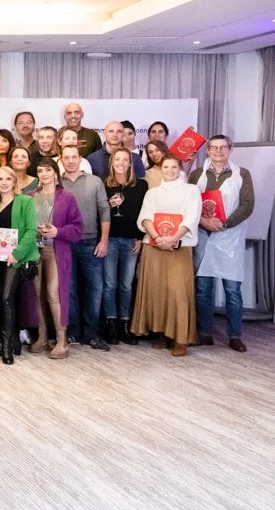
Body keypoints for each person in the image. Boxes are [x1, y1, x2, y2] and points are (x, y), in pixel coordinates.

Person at [132, 155, 201, 356]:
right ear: (160, 169)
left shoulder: (191, 190)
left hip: (180, 247)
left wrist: (172, 239)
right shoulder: (153, 193)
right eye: (166, 167)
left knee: (179, 293)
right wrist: (157, 238)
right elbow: (145, 217)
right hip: (154, 248)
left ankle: (180, 338)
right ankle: (162, 333)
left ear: (180, 168)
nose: (169, 170)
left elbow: (192, 216)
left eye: (173, 167)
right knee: (158, 291)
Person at [190, 135, 254, 352]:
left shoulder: (241, 174)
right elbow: (188, 203)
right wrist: (204, 221)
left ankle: (235, 335)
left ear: (230, 149)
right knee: (203, 288)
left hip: (230, 237)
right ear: (207, 150)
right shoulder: (197, 174)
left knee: (232, 289)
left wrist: (224, 224)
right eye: (214, 147)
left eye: (223, 147)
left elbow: (247, 205)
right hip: (203, 235)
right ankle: (205, 332)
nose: (218, 151)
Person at [29, 157, 83, 360]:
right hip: (34, 250)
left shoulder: (66, 197)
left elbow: (78, 228)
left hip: (55, 250)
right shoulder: (29, 196)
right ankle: (42, 337)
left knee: (53, 293)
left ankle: (62, 340)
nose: (44, 174)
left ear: (55, 173)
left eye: (47, 170)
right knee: (36, 293)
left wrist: (57, 231)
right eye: (40, 170)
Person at [60, 144, 111, 350]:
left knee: (96, 289)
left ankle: (91, 333)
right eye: (67, 157)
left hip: (91, 241)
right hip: (64, 243)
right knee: (69, 290)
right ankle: (72, 332)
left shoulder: (94, 181)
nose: (71, 161)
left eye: (74, 157)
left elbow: (104, 211)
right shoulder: (57, 183)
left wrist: (104, 240)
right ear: (61, 159)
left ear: (80, 158)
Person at [0, 167, 39, 364]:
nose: (4, 182)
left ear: (14, 182)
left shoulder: (25, 201)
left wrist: (16, 254)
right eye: (0, 179)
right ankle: (14, 342)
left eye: (9, 179)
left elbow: (32, 231)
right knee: (3, 301)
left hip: (17, 258)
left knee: (7, 298)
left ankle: (7, 347)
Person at [103, 148, 147, 345]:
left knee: (126, 286)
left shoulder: (141, 186)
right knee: (109, 284)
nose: (120, 163)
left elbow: (146, 214)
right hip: (110, 240)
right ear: (111, 163)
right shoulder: (104, 185)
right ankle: (111, 323)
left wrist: (140, 238)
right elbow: (99, 214)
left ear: (131, 163)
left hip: (132, 240)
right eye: (117, 159)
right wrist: (109, 206)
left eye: (124, 160)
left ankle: (125, 324)